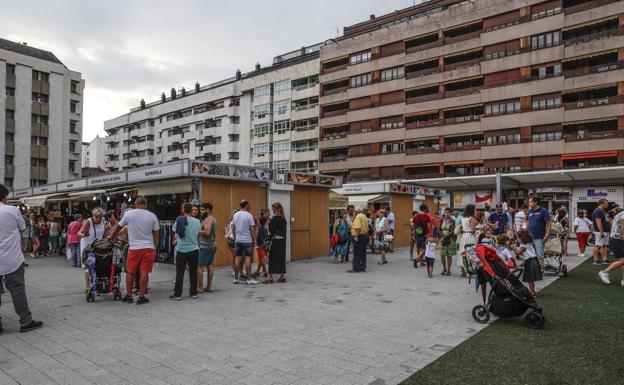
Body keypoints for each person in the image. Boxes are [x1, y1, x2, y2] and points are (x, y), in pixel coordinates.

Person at [0, 184, 43, 333]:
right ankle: (25, 321)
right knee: (17, 290)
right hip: (11, 258)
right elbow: (22, 227)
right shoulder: (12, 210)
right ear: (5, 197)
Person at [109, 197, 159, 305]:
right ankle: (141, 296)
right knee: (144, 272)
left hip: (134, 248)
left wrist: (112, 237)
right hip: (149, 247)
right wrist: (155, 247)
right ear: (145, 204)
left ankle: (129, 296)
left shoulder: (129, 214)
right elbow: (156, 234)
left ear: (136, 204)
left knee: (130, 272)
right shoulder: (152, 216)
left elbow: (119, 227)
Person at [170, 203, 201, 300]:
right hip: (194, 249)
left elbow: (174, 229)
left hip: (182, 249)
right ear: (192, 211)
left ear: (183, 210)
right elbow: (198, 232)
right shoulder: (197, 222)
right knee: (193, 272)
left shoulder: (180, 220)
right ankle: (193, 293)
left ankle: (178, 294)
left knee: (180, 273)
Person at [78, 208, 106, 294]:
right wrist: (84, 234)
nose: (99, 219)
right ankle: (88, 286)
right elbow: (79, 233)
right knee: (88, 265)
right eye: (97, 217)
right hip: (87, 246)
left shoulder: (103, 220)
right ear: (93, 216)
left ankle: (97, 283)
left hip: (98, 245)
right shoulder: (88, 221)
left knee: (98, 264)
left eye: (100, 217)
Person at [232, 199, 258, 285]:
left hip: (238, 240)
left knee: (237, 258)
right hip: (247, 240)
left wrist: (235, 236)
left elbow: (233, 227)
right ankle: (249, 279)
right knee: (248, 259)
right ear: (246, 205)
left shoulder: (235, 214)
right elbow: (252, 229)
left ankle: (236, 278)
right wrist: (255, 239)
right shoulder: (249, 215)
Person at [598, 208, 624, 285]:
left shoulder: (621, 214)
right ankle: (604, 272)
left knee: (623, 261)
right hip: (618, 240)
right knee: (622, 261)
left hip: (617, 239)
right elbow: (623, 230)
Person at [265, 202, 288, 283]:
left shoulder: (274, 219)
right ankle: (283, 276)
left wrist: (268, 224)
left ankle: (270, 277)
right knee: (281, 258)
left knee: (272, 258)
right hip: (282, 241)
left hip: (275, 241)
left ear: (276, 209)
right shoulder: (283, 219)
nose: (272, 211)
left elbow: (271, 231)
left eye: (273, 209)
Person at [515, 230, 543, 297]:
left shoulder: (523, 246)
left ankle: (532, 292)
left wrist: (513, 247)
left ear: (522, 238)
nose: (518, 239)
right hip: (534, 260)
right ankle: (532, 291)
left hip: (530, 262)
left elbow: (517, 253)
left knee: (530, 278)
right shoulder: (528, 243)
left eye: (519, 238)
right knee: (531, 278)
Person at [197, 202, 217, 293]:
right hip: (212, 245)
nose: (201, 212)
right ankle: (208, 287)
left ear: (208, 210)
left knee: (199, 266)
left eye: (202, 210)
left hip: (206, 246)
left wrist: (199, 230)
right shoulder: (213, 219)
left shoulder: (208, 219)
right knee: (210, 265)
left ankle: (200, 287)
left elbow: (207, 233)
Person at [527, 196, 551, 264]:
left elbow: (548, 223)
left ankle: (540, 271)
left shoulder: (543, 210)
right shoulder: (529, 211)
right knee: (531, 255)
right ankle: (534, 269)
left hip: (539, 237)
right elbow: (528, 222)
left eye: (530, 202)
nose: (529, 203)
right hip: (529, 238)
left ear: (535, 202)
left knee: (540, 255)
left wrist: (547, 235)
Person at [457, 204, 477, 278]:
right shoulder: (472, 219)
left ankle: (462, 271)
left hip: (463, 236)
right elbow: (472, 231)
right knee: (470, 253)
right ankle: (470, 272)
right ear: (471, 210)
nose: (476, 211)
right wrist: (477, 229)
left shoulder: (463, 218)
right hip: (469, 236)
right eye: (475, 209)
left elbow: (461, 228)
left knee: (462, 252)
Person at [348, 208, 369, 273]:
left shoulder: (358, 216)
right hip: (365, 236)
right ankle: (362, 267)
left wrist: (356, 236)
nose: (353, 213)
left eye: (354, 212)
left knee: (357, 253)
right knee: (363, 252)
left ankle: (356, 267)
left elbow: (358, 228)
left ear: (356, 212)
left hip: (359, 236)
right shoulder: (364, 216)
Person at [592, 199, 610, 265]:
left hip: (605, 231)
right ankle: (595, 260)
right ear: (602, 204)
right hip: (600, 231)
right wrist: (601, 232)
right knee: (597, 245)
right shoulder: (598, 211)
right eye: (606, 204)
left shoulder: (602, 211)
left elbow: (604, 220)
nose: (607, 205)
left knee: (604, 245)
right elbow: (598, 222)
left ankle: (604, 259)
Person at [439, 208, 456, 276]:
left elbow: (452, 232)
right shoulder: (442, 220)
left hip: (449, 239)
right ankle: (444, 268)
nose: (446, 214)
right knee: (442, 255)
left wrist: (444, 237)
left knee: (449, 255)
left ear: (450, 213)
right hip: (442, 240)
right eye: (445, 212)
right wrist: (441, 236)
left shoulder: (452, 221)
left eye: (448, 212)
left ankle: (449, 270)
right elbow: (439, 229)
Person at [254, 211, 269, 279]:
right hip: (263, 245)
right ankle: (257, 272)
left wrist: (254, 240)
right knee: (260, 259)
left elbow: (256, 236)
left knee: (261, 259)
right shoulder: (265, 229)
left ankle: (266, 272)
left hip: (259, 245)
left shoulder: (258, 228)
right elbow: (266, 237)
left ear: (259, 221)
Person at [225, 210, 237, 277]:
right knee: (234, 255)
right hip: (233, 239)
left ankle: (236, 269)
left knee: (235, 255)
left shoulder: (233, 221)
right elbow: (233, 230)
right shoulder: (233, 222)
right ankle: (234, 269)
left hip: (232, 239)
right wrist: (236, 238)